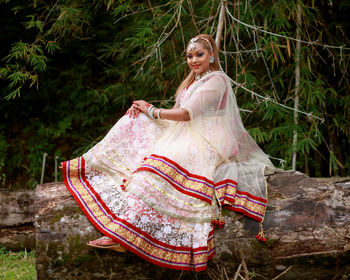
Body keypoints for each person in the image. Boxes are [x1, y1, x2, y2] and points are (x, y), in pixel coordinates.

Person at [61, 34, 274, 272]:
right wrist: (144, 111)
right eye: (189, 56)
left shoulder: (217, 80)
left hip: (209, 139)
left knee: (159, 166)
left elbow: (186, 114)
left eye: (199, 55)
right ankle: (118, 214)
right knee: (133, 123)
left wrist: (152, 111)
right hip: (187, 132)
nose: (193, 60)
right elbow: (175, 113)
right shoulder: (192, 81)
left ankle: (125, 234)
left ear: (212, 55)